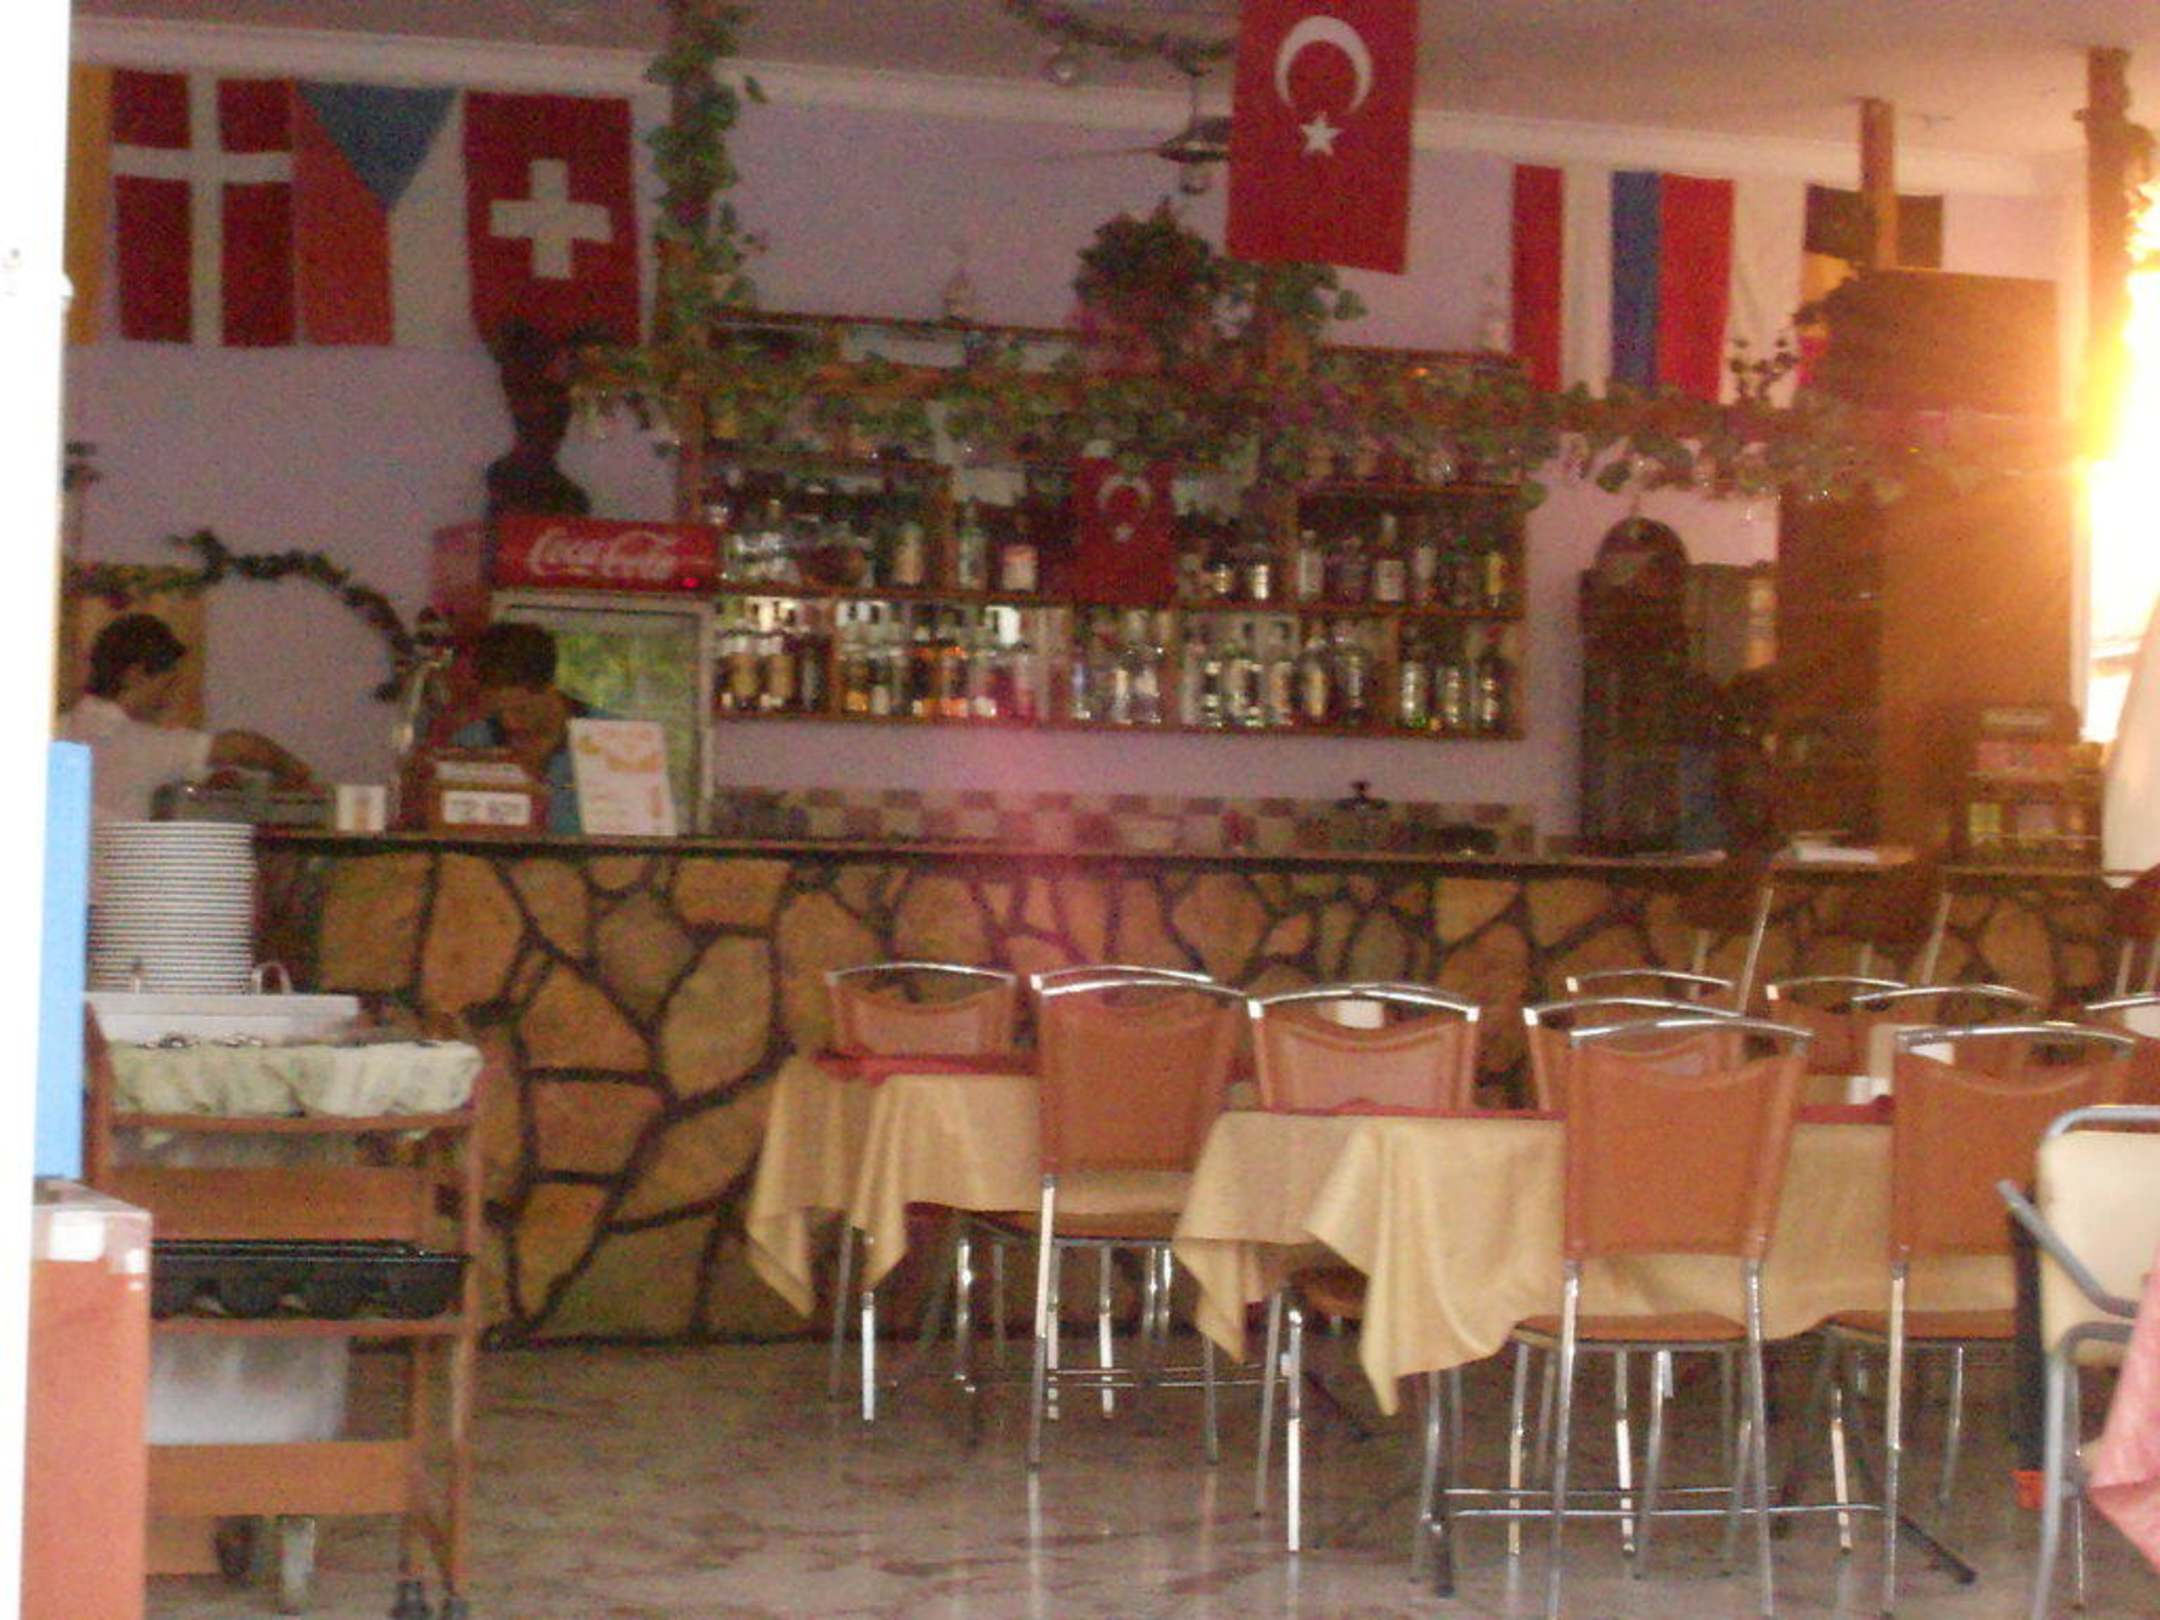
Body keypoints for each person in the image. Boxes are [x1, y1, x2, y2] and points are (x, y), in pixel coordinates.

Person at [61, 613, 314, 823]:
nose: (167, 699)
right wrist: (295, 771)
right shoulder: (138, 743)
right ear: (135, 675)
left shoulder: (57, 727)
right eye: (167, 685)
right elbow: (244, 748)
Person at [449, 621, 592, 834]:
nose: (509, 723)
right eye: (497, 711)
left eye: (521, 710)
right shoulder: (470, 745)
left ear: (549, 687)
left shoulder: (613, 739)